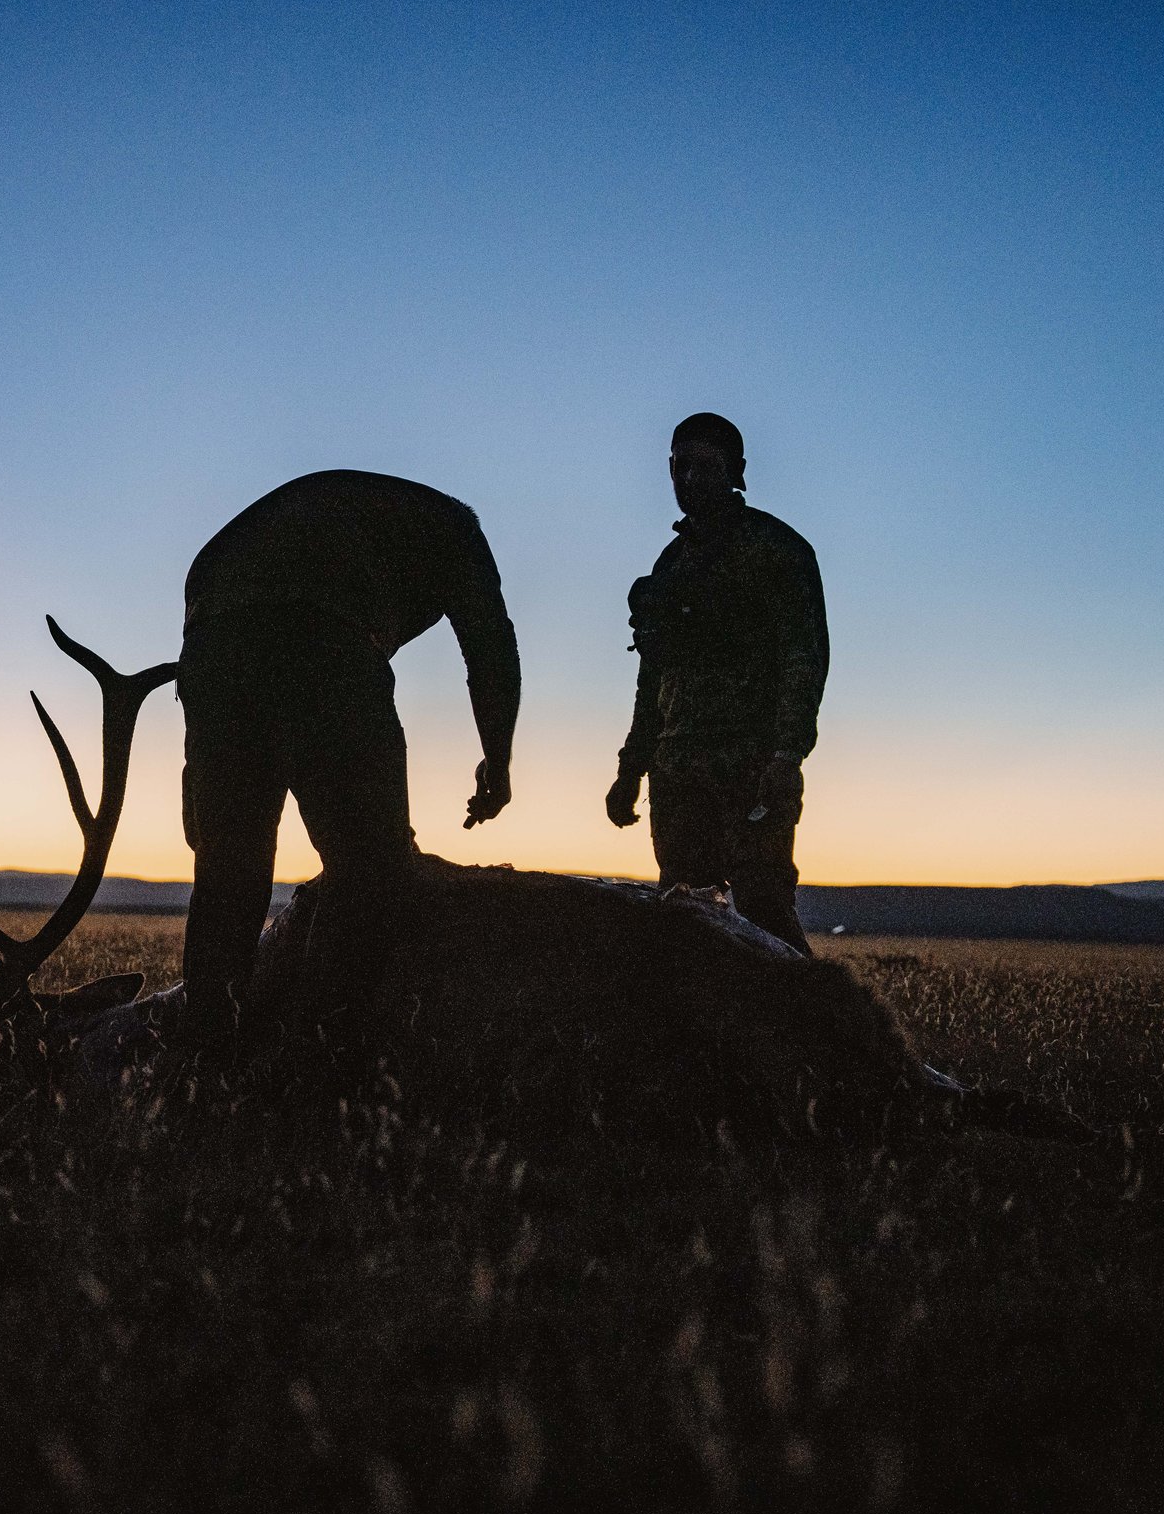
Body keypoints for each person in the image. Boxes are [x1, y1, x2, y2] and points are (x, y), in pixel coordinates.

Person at [178, 470, 521, 1045]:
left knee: (227, 872)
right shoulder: (459, 531)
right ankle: (322, 1062)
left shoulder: (354, 510)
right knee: (370, 873)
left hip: (213, 639)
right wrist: (499, 763)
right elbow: (491, 647)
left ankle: (206, 1069)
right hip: (323, 645)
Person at [606, 413, 827, 953]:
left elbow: (806, 658)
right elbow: (652, 677)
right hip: (677, 771)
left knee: (765, 917)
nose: (690, 480)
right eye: (680, 467)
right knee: (684, 920)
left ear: (737, 471)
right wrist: (631, 769)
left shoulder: (778, 550)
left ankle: (817, 1030)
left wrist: (785, 757)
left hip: (751, 769)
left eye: (706, 467)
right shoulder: (670, 566)